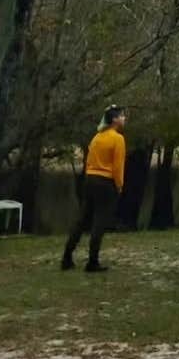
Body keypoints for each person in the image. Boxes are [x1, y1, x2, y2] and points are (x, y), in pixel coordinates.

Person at [61, 105, 127, 273]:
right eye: (121, 116)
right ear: (114, 120)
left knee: (82, 219)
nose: (124, 118)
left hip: (90, 179)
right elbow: (118, 166)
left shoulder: (97, 137)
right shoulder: (118, 139)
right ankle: (92, 261)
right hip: (106, 182)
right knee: (99, 222)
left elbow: (89, 160)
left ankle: (67, 257)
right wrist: (119, 185)